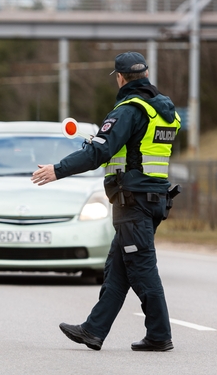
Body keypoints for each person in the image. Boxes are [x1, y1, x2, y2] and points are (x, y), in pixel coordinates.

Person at [31, 51, 181, 352]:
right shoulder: (164, 111)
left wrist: (57, 170)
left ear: (121, 78)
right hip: (154, 199)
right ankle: (94, 330)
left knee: (141, 267)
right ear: (146, 74)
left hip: (132, 202)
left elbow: (98, 152)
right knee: (118, 267)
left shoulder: (128, 110)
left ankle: (159, 334)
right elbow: (135, 150)